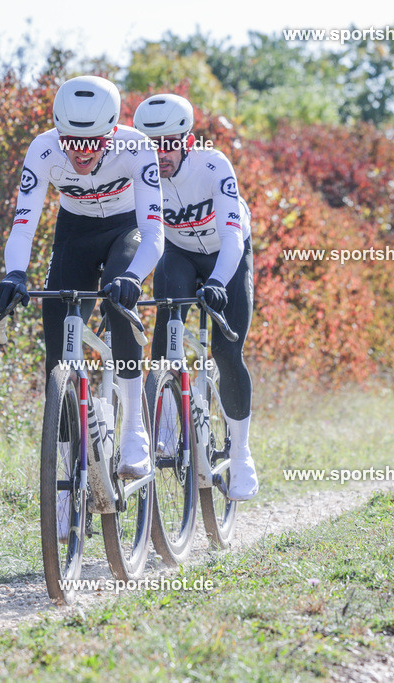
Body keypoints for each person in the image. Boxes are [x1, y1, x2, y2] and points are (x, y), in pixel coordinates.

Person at [0, 76, 164, 480]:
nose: (81, 152)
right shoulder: (43, 147)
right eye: (71, 141)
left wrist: (135, 277)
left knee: (120, 302)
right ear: (57, 129)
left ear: (112, 131)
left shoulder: (137, 146)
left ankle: (134, 428)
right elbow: (23, 224)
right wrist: (14, 274)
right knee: (57, 345)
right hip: (76, 231)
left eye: (93, 142)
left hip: (127, 230)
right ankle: (68, 471)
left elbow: (155, 234)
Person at [133, 93, 258, 500]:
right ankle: (167, 419)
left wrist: (220, 282)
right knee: (166, 327)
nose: (160, 153)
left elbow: (232, 238)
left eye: (169, 143)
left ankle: (241, 455)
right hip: (181, 254)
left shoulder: (213, 164)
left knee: (227, 352)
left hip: (228, 254)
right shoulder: (140, 171)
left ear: (187, 139)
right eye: (152, 144)